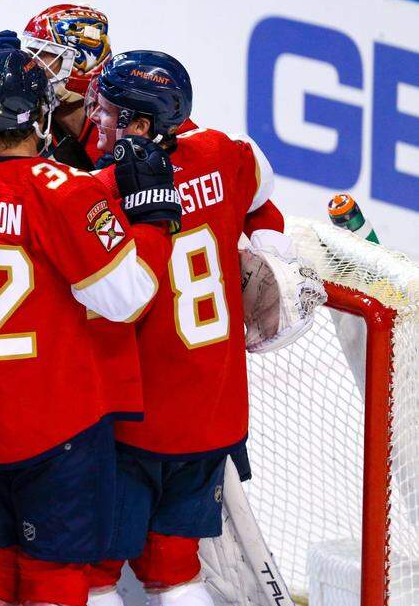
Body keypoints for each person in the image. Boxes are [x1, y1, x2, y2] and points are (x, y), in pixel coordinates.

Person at [0, 47, 178, 606]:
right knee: (56, 579)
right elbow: (125, 299)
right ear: (40, 113)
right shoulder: (67, 191)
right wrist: (153, 222)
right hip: (57, 429)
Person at [85, 51, 319, 606]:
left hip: (136, 419)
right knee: (175, 563)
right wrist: (269, 248)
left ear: (140, 126)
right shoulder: (225, 153)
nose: (96, 115)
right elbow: (263, 203)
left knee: (92, 569)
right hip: (215, 414)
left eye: (109, 109)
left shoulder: (101, 191)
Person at [20, 4, 113, 169]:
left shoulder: (121, 128)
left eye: (41, 54)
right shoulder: (30, 119)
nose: (32, 66)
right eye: (31, 54)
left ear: (83, 64)